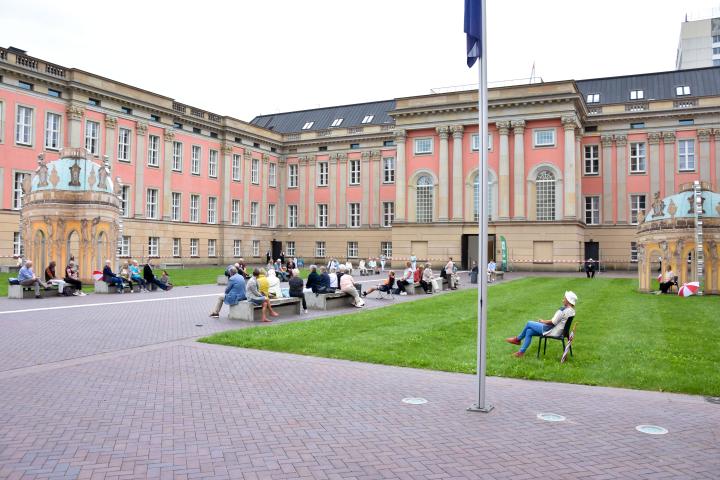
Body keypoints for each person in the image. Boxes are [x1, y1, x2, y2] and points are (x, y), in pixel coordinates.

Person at [505, 291, 578, 357]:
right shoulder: (572, 311)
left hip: (552, 331)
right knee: (529, 331)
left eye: (564, 298)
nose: (563, 299)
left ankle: (517, 339)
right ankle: (521, 352)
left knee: (529, 323)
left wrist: (543, 321)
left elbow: (553, 322)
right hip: (560, 332)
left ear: (568, 301)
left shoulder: (563, 310)